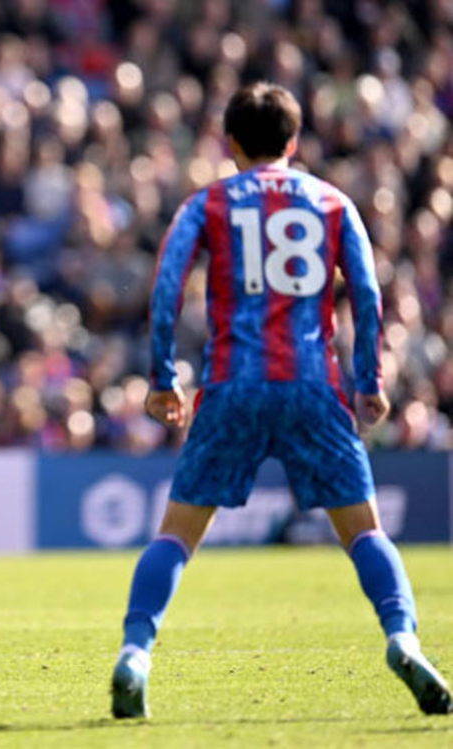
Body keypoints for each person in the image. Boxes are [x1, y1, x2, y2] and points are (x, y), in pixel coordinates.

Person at [111, 82, 452, 718]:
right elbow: (370, 296)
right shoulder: (331, 201)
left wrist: (162, 377)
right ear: (294, 142)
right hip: (311, 384)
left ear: (230, 142)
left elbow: (165, 287)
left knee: (177, 537)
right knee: (364, 533)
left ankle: (135, 652)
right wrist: (370, 381)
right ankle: (402, 638)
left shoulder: (207, 203)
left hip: (231, 384)